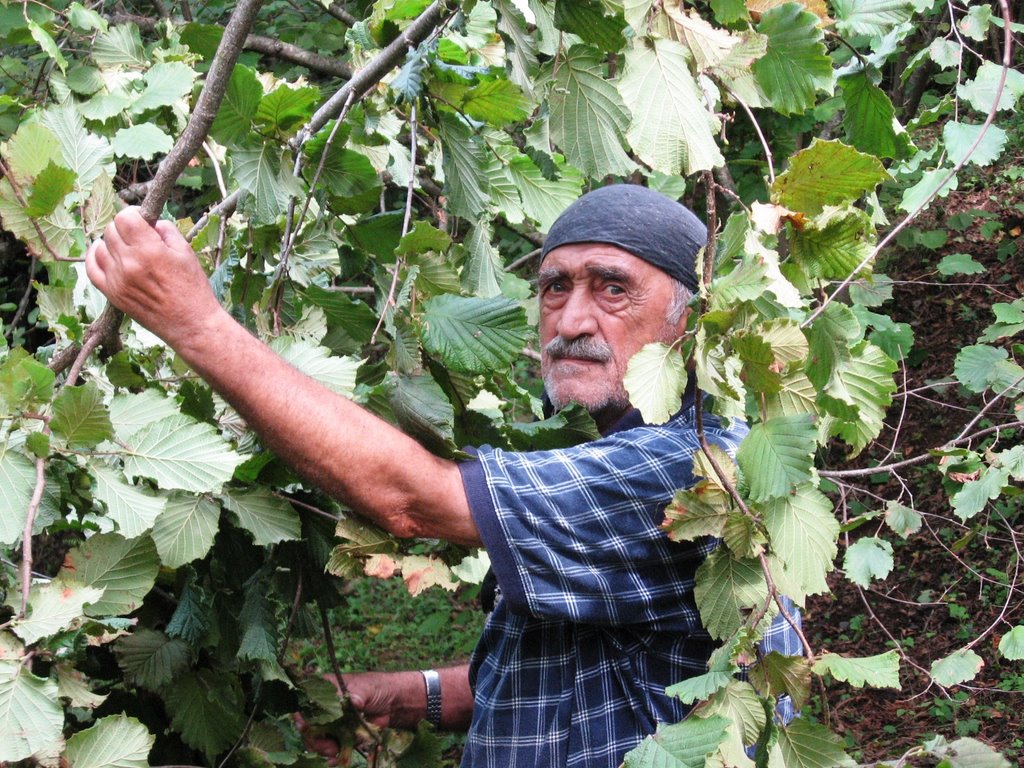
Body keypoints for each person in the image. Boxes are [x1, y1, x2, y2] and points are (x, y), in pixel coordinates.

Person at [87, 184, 800, 767]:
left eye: (612, 288)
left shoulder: (692, 467)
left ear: (692, 318)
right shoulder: (608, 449)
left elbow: (411, 500)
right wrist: (406, 696)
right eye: (555, 287)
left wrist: (194, 322)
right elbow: (583, 664)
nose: (572, 319)